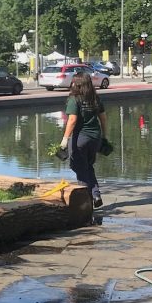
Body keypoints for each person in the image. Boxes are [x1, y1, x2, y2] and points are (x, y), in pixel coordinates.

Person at [60, 74, 108, 208]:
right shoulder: (95, 99)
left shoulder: (74, 99)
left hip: (80, 138)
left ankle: (86, 201)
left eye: (73, 83)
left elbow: (72, 120)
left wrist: (64, 139)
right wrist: (104, 137)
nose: (72, 85)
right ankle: (96, 194)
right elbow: (103, 119)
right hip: (95, 137)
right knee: (87, 165)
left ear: (78, 85)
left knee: (77, 166)